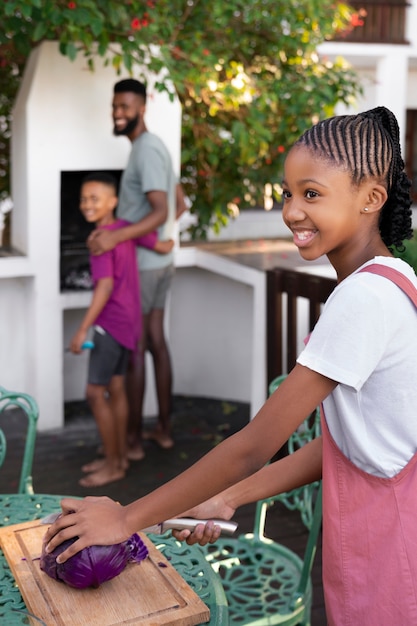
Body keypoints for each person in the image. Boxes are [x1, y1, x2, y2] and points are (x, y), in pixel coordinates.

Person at [46, 107, 417, 625]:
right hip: (374, 531)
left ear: (371, 197)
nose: (291, 211)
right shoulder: (392, 278)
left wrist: (126, 518)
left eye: (312, 194)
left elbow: (252, 446)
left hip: (393, 549)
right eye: (288, 193)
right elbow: (348, 443)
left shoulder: (364, 299)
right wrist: (225, 499)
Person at [87, 79, 187, 461]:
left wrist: (119, 238)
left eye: (125, 106)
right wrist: (159, 239)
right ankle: (162, 430)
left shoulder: (145, 150)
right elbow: (180, 203)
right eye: (115, 106)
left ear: (142, 108)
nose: (118, 113)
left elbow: (163, 210)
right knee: (156, 342)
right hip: (159, 262)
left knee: (137, 349)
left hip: (143, 268)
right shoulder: (157, 147)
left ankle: (131, 442)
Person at [71, 172, 173, 488]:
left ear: (112, 201)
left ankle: (115, 464)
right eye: (84, 199)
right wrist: (168, 243)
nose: (87, 204)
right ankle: (117, 457)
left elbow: (104, 286)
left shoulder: (101, 239)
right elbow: (158, 243)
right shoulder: (125, 230)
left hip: (109, 323)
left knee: (93, 392)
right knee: (116, 388)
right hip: (130, 322)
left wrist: (82, 329)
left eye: (95, 198)